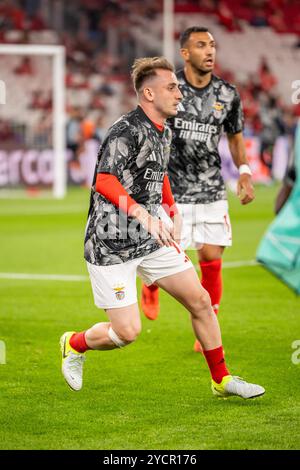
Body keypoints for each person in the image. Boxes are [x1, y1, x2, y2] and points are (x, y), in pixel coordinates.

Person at [60, 56, 265, 400]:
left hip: (152, 239)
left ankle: (222, 380)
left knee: (199, 300)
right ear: (149, 94)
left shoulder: (164, 130)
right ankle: (74, 343)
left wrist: (172, 209)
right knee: (127, 332)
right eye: (172, 87)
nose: (180, 93)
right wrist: (144, 215)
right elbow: (105, 180)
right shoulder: (125, 130)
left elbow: (161, 173)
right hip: (111, 244)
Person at [141, 27, 255, 353]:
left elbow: (234, 136)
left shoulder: (228, 94)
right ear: (185, 53)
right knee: (169, 257)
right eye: (201, 45)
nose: (210, 51)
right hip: (172, 190)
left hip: (211, 188)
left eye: (213, 45)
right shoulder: (169, 89)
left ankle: (207, 324)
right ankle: (150, 284)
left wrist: (244, 172)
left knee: (211, 255)